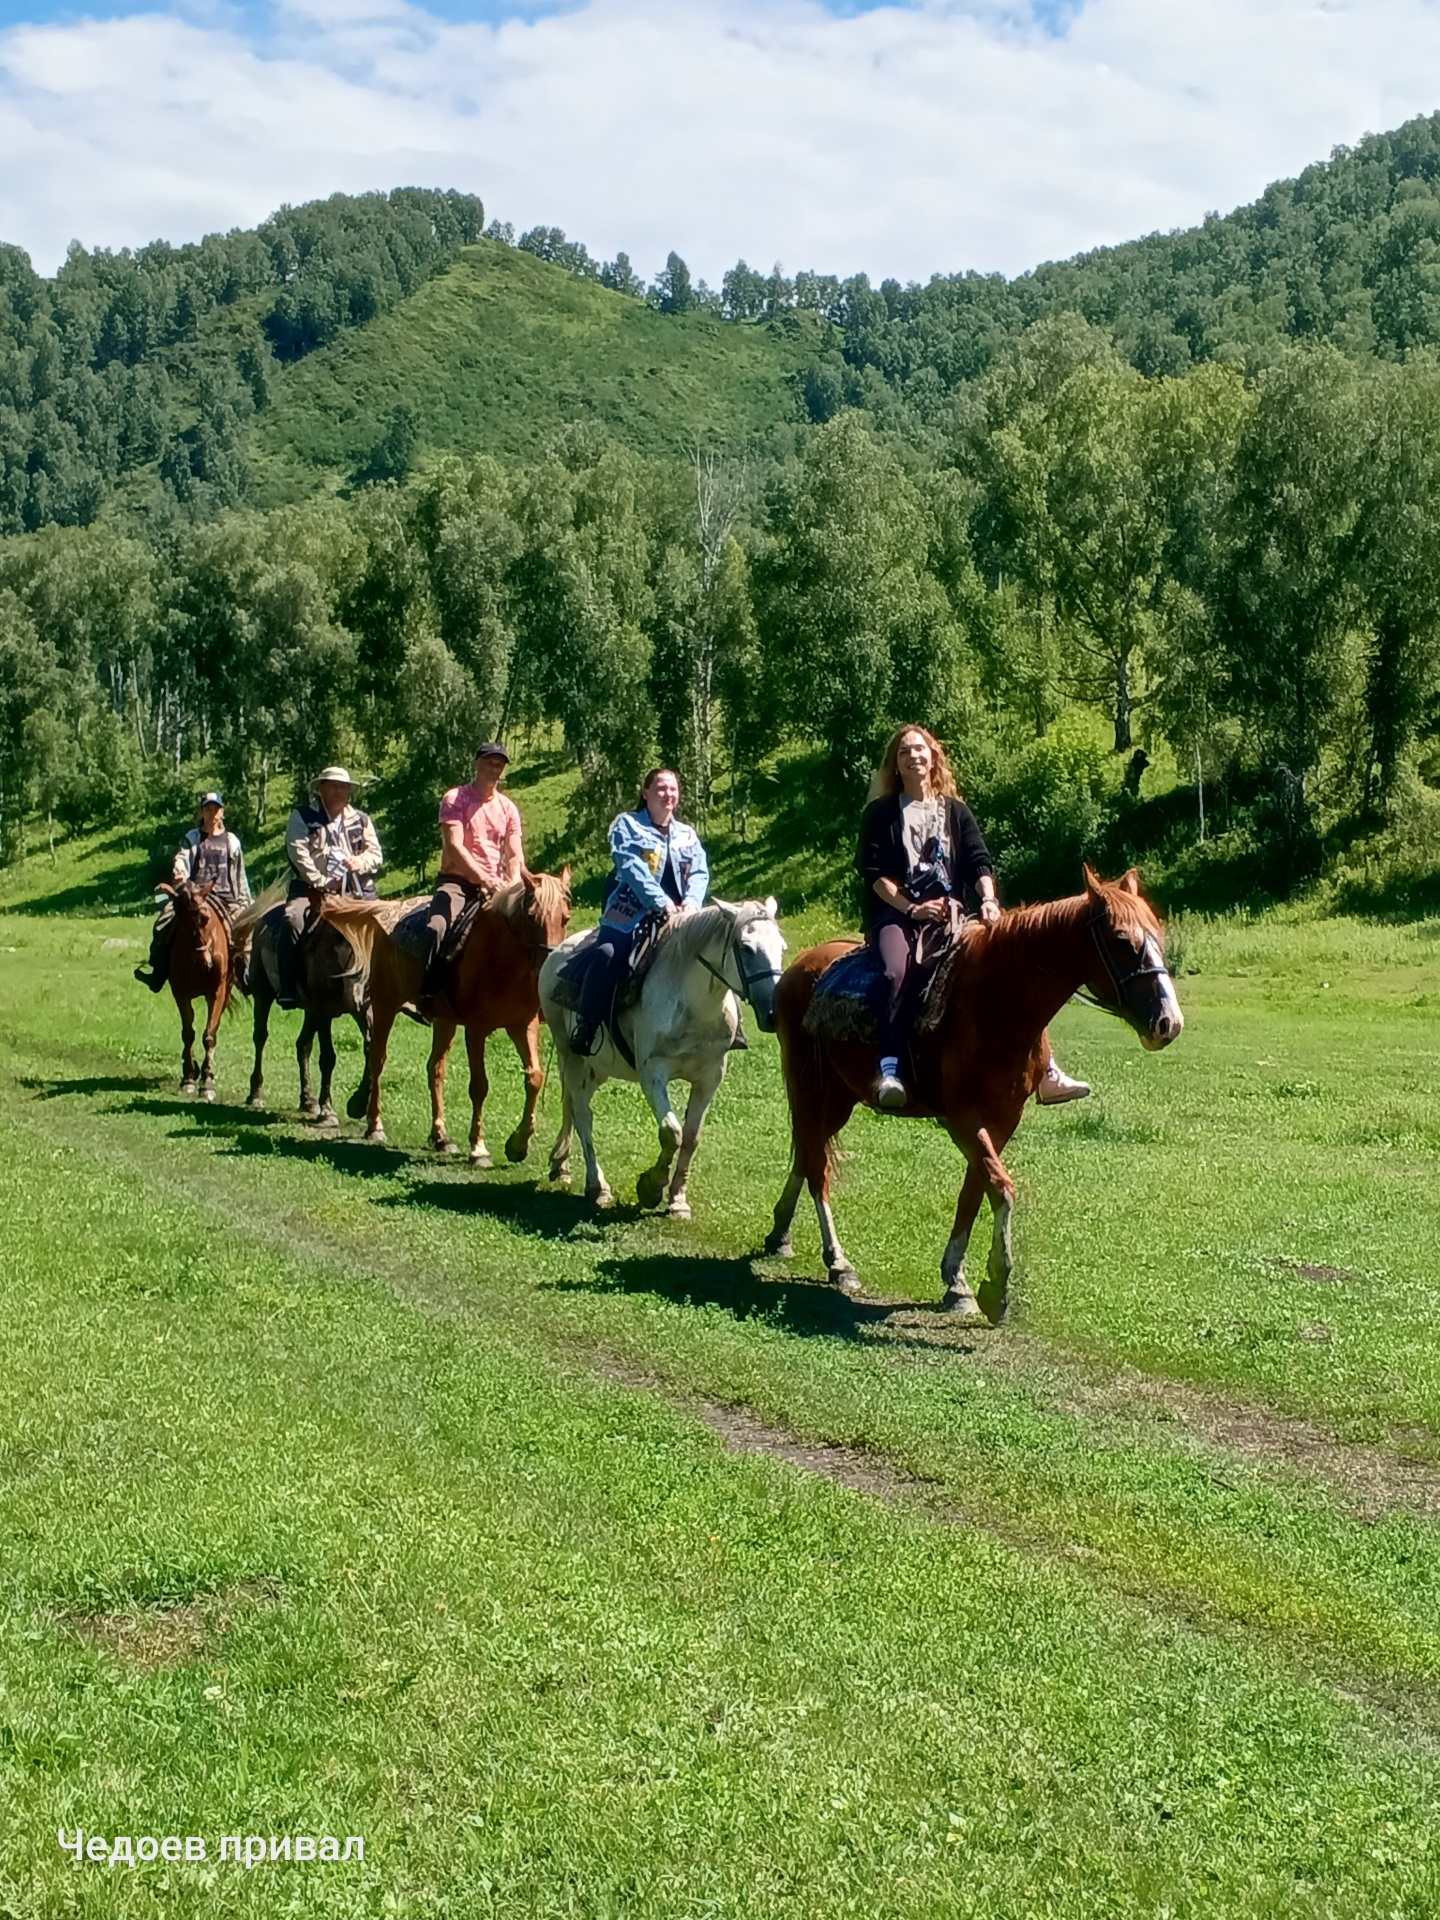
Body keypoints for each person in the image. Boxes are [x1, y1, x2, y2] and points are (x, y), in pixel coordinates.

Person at [857, 724, 1090, 1111]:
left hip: (952, 916)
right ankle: (891, 1068)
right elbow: (875, 875)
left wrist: (988, 900)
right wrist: (912, 909)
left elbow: (979, 861)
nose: (913, 756)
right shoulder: (881, 813)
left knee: (1011, 964)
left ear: (933, 757)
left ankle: (1047, 1070)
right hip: (897, 917)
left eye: (919, 749)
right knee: (895, 972)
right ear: (894, 765)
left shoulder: (956, 811)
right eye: (903, 752)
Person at [569, 767, 709, 1057]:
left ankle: (726, 1030)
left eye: (672, 789)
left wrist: (693, 903)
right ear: (645, 794)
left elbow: (699, 871)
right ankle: (588, 1024)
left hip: (683, 916)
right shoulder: (627, 826)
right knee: (607, 953)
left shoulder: (687, 835)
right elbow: (631, 868)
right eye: (660, 788)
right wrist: (661, 903)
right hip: (630, 913)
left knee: (718, 954)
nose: (667, 794)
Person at [417, 742, 524, 1018]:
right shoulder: (456, 798)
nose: (494, 767)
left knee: (527, 927)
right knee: (437, 926)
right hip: (456, 883)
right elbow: (455, 846)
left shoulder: (508, 808)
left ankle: (525, 996)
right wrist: (485, 878)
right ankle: (426, 994)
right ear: (476, 764)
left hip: (496, 886)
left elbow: (514, 854)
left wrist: (512, 883)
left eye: (499, 763)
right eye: (488, 762)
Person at [275, 765, 383, 1010]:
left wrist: (360, 862)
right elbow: (298, 854)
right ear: (320, 789)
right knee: (292, 920)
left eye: (344, 787)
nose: (339, 791)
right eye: (333, 785)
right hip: (312, 889)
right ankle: (288, 987)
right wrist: (323, 882)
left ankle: (394, 986)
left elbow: (375, 854)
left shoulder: (361, 819)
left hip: (357, 890)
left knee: (387, 925)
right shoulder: (302, 816)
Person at [135, 792, 252, 992]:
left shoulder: (232, 842)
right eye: (208, 808)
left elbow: (239, 874)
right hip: (196, 897)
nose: (212, 813)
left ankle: (247, 976)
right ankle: (157, 972)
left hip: (226, 899)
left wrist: (246, 901)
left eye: (216, 809)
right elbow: (182, 858)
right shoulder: (193, 838)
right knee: (164, 921)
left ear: (222, 812)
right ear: (202, 812)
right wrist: (180, 873)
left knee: (248, 933)